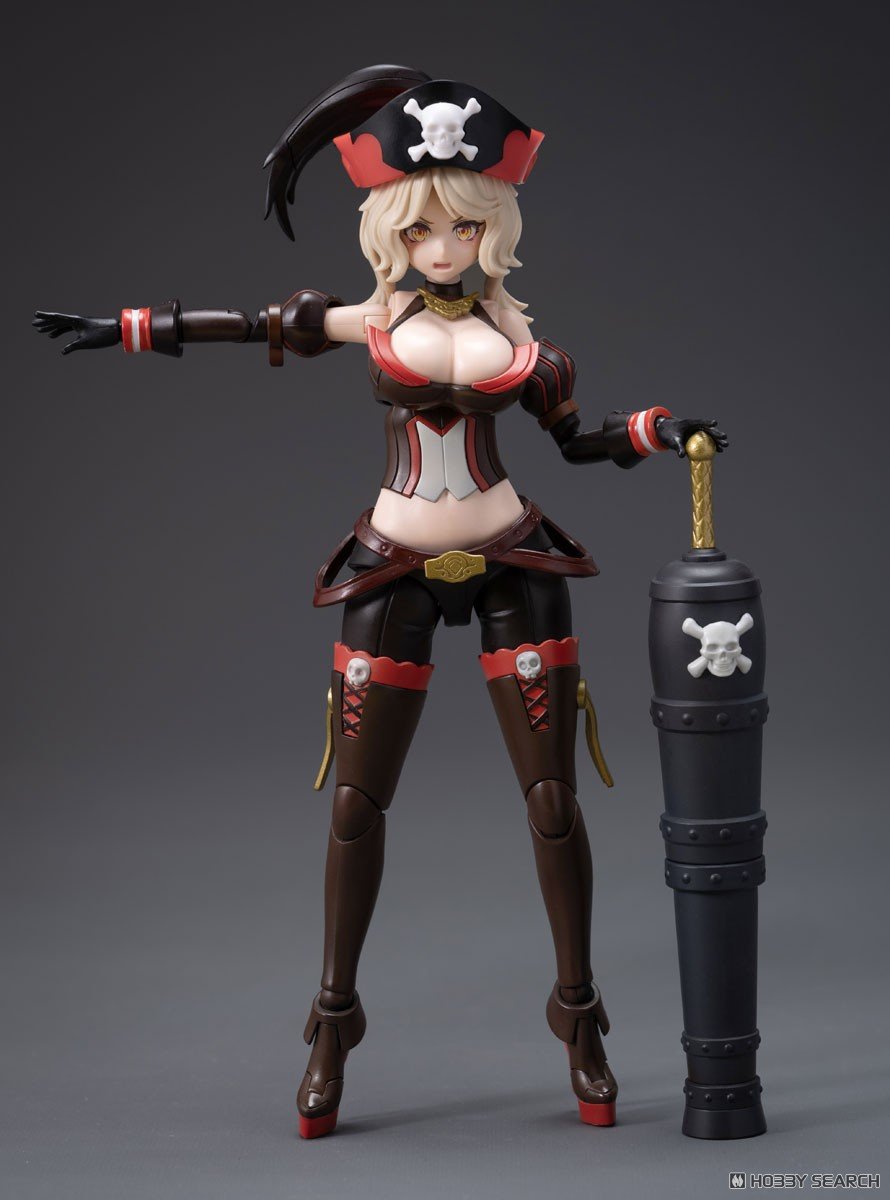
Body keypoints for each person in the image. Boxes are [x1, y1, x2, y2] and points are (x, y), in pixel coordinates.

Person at [33, 64, 727, 1139]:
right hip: (392, 560)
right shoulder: (366, 319)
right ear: (389, 232)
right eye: (420, 229)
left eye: (462, 227)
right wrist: (122, 326)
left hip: (512, 557)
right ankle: (332, 1023)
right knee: (356, 804)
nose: (441, 248)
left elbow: (578, 442)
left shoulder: (532, 351)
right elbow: (246, 326)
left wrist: (658, 430)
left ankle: (579, 1015)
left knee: (551, 799)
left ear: (493, 228)